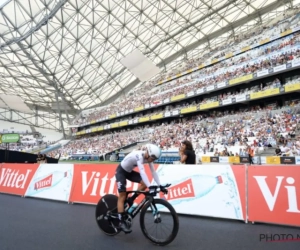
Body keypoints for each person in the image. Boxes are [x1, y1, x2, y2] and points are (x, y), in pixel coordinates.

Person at [115, 144, 167, 234]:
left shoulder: (149, 157)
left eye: (154, 159)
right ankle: (121, 222)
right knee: (122, 196)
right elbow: (142, 173)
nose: (152, 160)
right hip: (121, 172)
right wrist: (150, 187)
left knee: (144, 184)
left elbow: (153, 172)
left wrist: (160, 185)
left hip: (129, 172)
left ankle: (132, 199)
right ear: (148, 153)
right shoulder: (138, 155)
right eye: (152, 158)